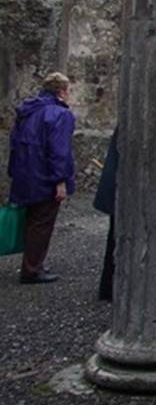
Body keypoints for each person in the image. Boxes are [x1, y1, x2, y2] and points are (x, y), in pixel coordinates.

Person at [8, 72, 76, 284]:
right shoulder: (59, 114)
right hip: (44, 176)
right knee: (42, 223)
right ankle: (32, 269)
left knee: (31, 221)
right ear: (62, 92)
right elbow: (59, 151)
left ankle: (32, 263)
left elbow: (15, 142)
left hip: (25, 173)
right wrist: (61, 180)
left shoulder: (28, 111)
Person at [93, 127, 118, 301]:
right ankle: (110, 289)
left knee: (114, 240)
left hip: (117, 192)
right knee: (118, 240)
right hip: (122, 193)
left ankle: (108, 288)